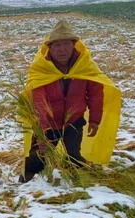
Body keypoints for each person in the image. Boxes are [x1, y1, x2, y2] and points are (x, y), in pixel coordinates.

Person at [20, 20, 121, 183]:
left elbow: (95, 94)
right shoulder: (42, 69)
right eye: (57, 45)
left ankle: (77, 184)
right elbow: (39, 102)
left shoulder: (84, 65)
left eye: (66, 44)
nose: (62, 49)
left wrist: (95, 120)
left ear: (74, 45)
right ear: (49, 48)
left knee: (74, 157)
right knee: (38, 159)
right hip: (48, 124)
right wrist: (43, 133)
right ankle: (24, 184)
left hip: (74, 122)